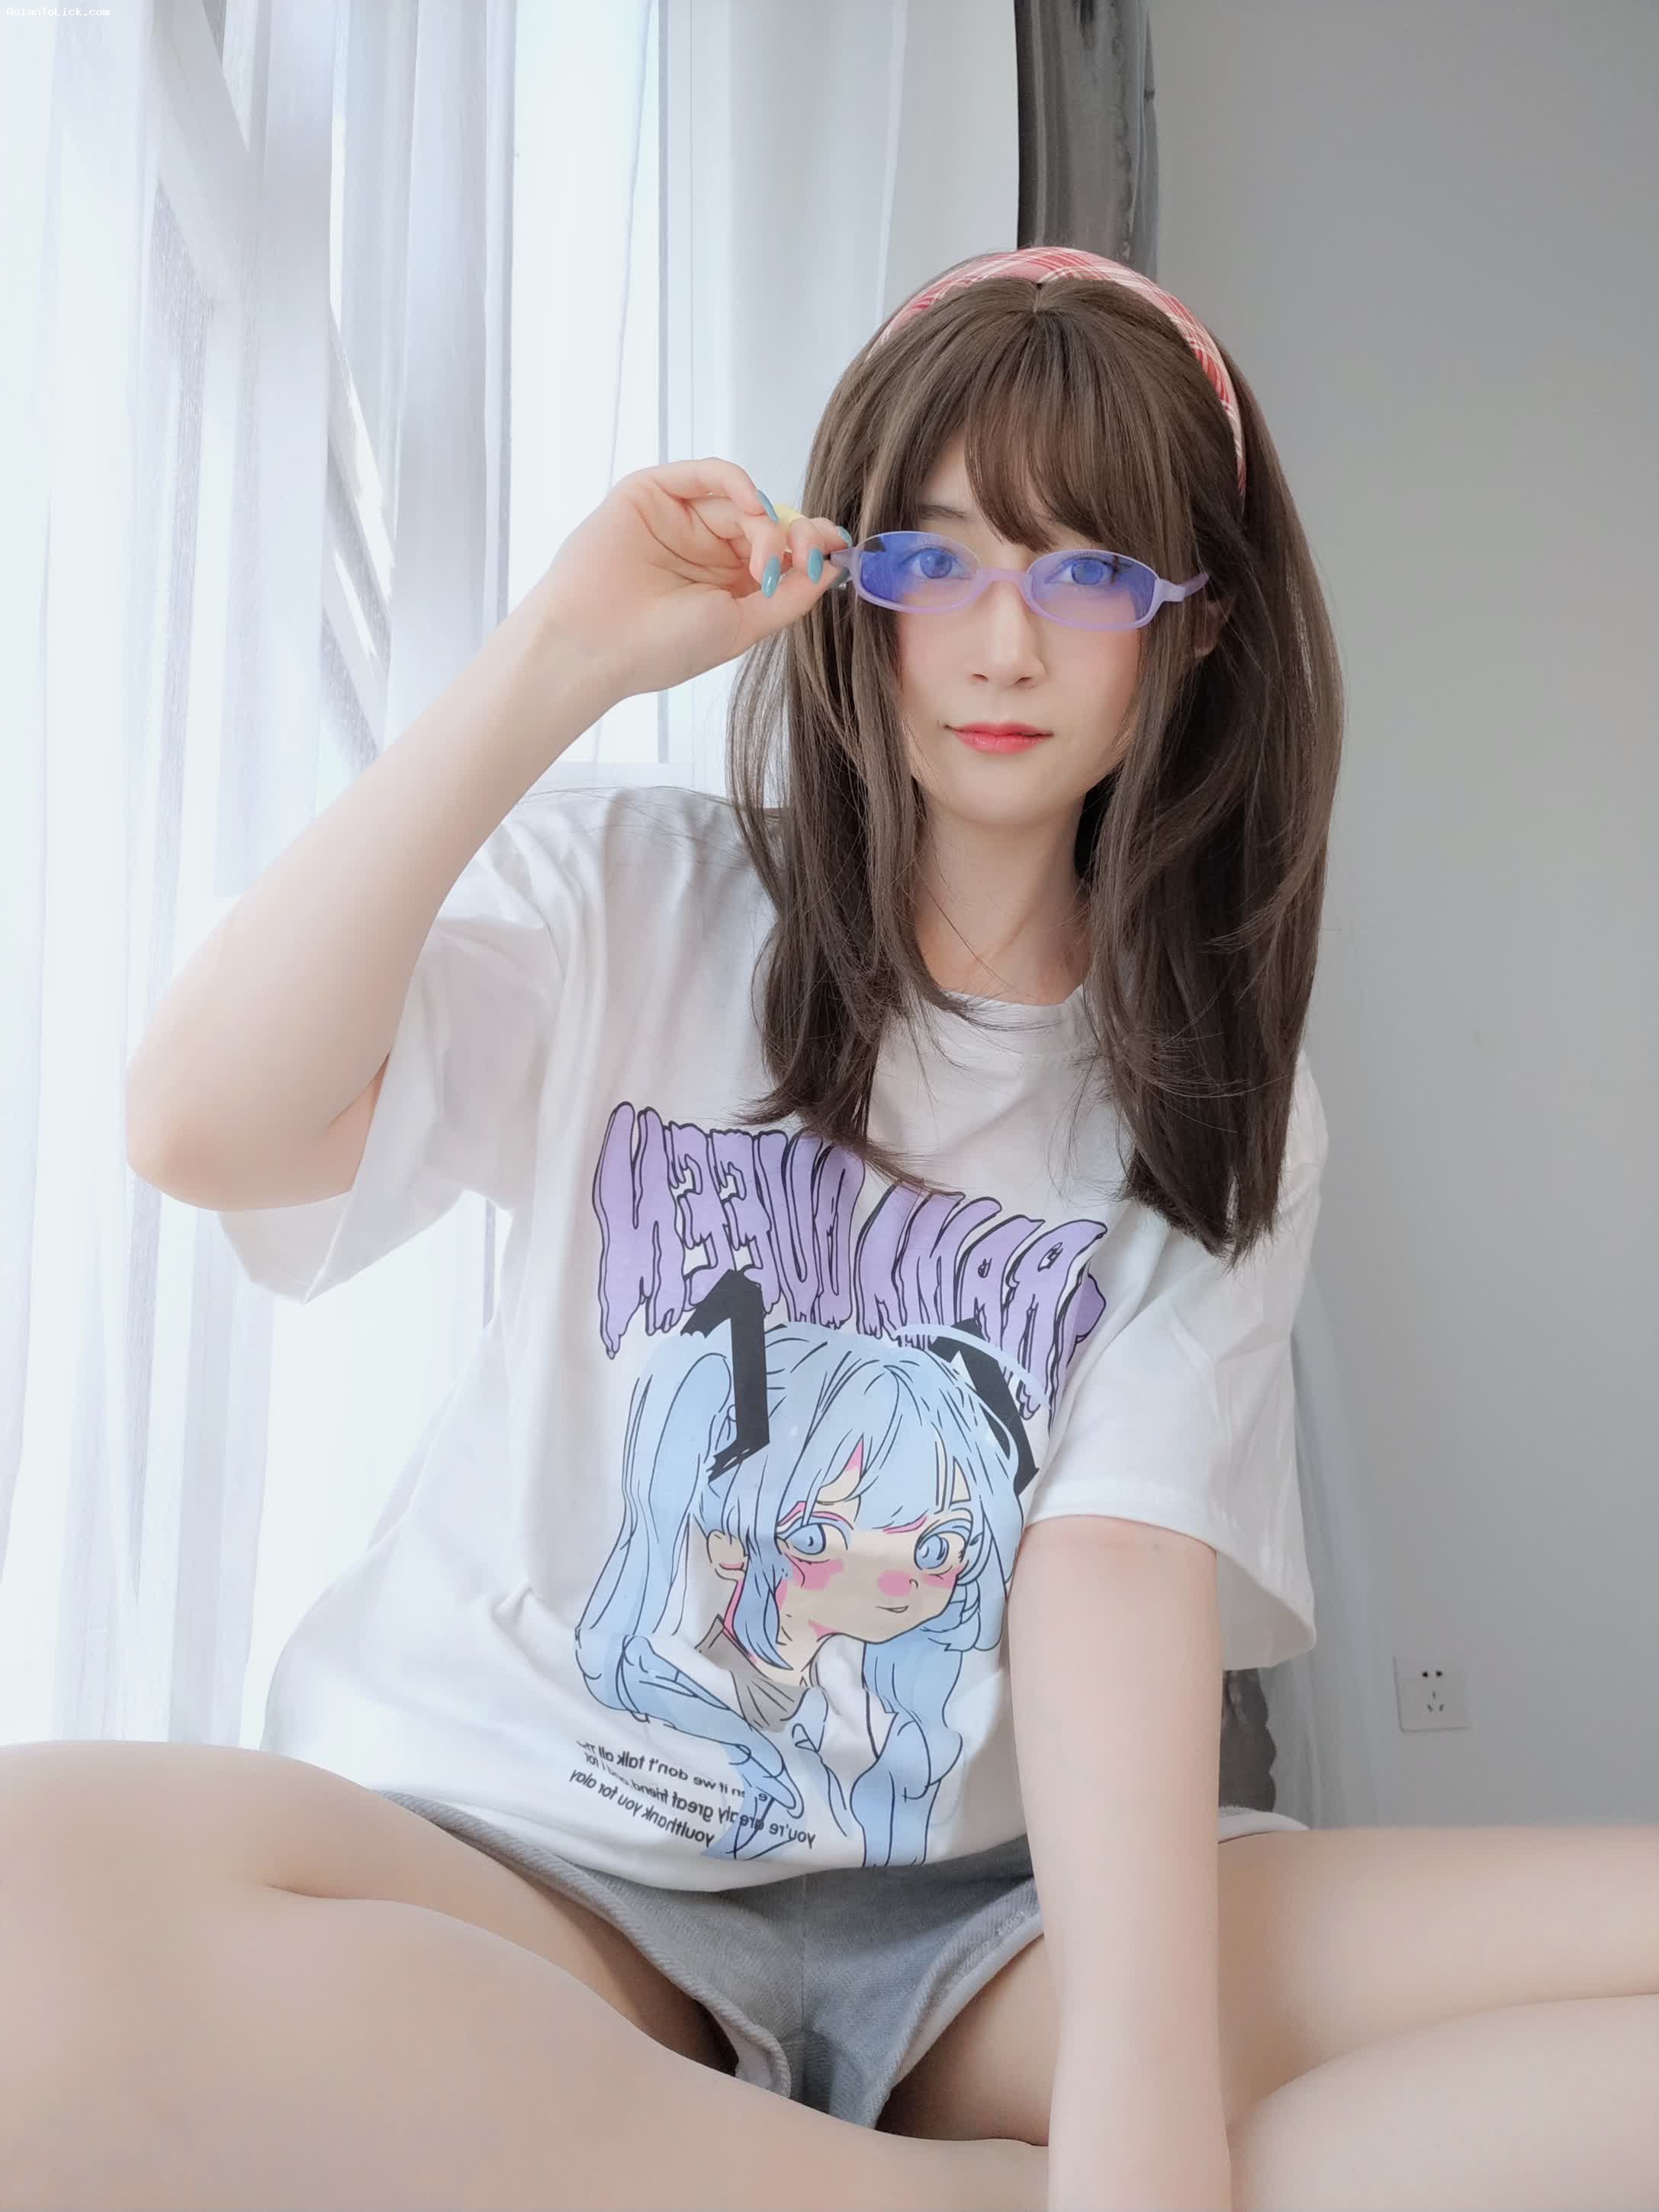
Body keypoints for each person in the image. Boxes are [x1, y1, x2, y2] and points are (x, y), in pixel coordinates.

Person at [11, 248, 1654, 2212]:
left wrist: (1136, 2122)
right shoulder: (634, 894)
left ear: (1192, 628)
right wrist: (556, 654)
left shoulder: (1207, 1088)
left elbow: (1116, 1569)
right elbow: (202, 1122)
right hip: (525, 1867)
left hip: (973, 1923)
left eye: (1086, 574)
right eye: (935, 560)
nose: (1002, 645)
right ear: (846, 581)